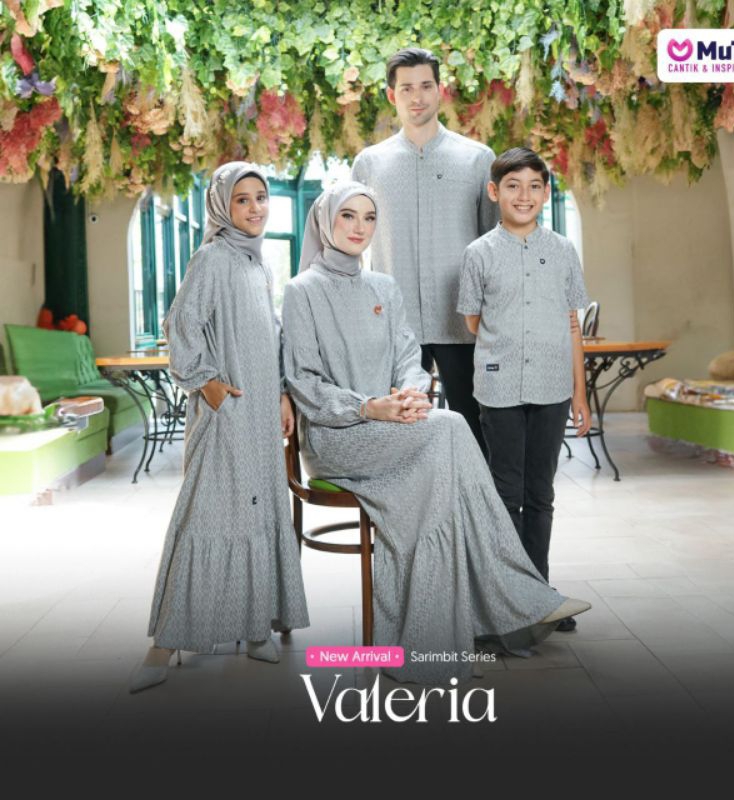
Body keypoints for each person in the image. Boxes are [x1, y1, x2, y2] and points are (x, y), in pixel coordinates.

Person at [282, 180, 590, 685]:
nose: (360, 228)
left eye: (369, 218)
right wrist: (370, 407)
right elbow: (304, 381)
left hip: (397, 426)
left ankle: (457, 625)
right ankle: (515, 595)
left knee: (441, 474)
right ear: (324, 222)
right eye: (347, 216)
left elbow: (409, 356)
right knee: (451, 426)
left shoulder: (384, 287)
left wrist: (408, 394)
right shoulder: (301, 291)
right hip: (338, 436)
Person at [129, 162, 309, 693]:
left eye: (261, 198)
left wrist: (281, 394)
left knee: (257, 511)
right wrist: (206, 383)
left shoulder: (257, 264)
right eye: (242, 200)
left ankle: (255, 628)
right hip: (225, 411)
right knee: (206, 514)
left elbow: (271, 335)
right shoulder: (212, 257)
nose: (255, 208)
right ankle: (164, 644)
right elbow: (181, 324)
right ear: (222, 207)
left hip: (259, 414)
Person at [457, 147, 592, 632]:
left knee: (541, 494)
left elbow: (572, 324)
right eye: (513, 186)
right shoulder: (478, 254)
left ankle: (539, 596)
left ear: (546, 193)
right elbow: (474, 322)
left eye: (535, 186)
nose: (524, 195)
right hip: (499, 389)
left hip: (553, 387)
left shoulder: (563, 251)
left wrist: (579, 393)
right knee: (505, 493)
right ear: (494, 192)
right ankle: (507, 600)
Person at [351, 47, 497, 455]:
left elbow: (493, 244)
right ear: (391, 95)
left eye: (426, 86)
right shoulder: (369, 164)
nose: (417, 97)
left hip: (463, 323)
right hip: (393, 326)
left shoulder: (477, 159)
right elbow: (354, 245)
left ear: (440, 90)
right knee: (397, 437)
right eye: (406, 88)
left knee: (475, 434)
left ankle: (473, 499)